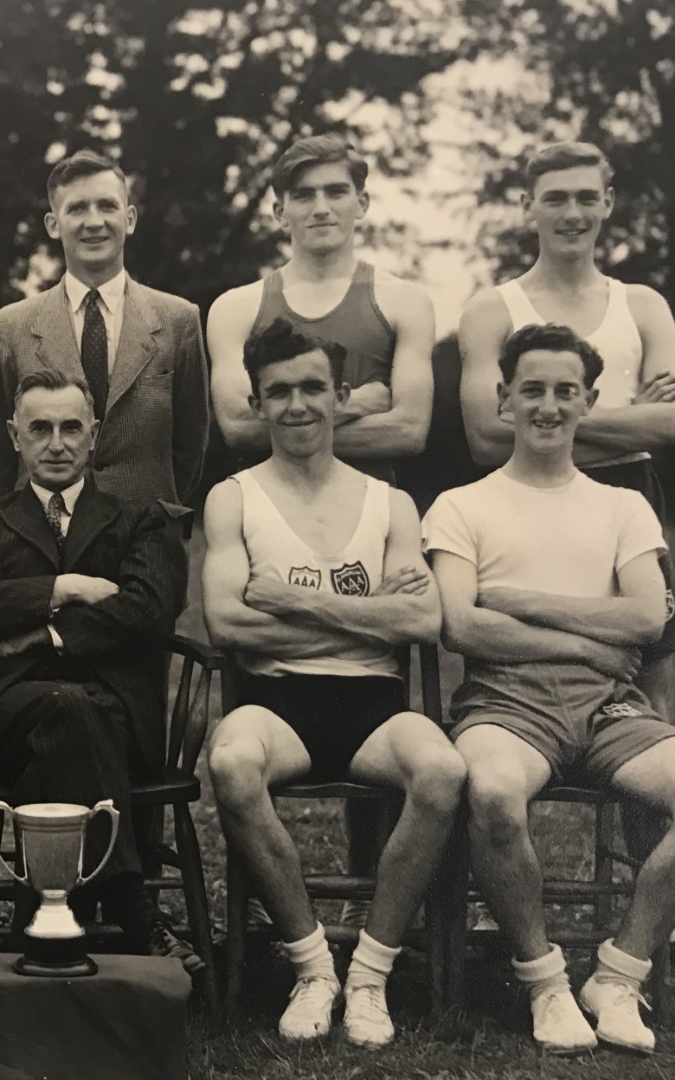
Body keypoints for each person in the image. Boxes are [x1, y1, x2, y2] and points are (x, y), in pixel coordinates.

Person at [457, 141, 675, 976]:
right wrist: (621, 412)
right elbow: (483, 436)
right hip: (519, 500)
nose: (572, 212)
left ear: (609, 203)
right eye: (555, 197)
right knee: (515, 693)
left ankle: (656, 922)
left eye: (587, 196)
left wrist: (566, 420)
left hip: (625, 504)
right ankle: (501, 906)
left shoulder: (640, 304)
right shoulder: (493, 307)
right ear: (529, 207)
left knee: (645, 698)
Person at [424, 323, 675, 1055]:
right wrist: (583, 641)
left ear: (589, 402)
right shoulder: (461, 504)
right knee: (493, 792)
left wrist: (521, 600)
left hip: (611, 707)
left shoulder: (622, 507)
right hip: (505, 704)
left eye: (566, 390)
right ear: (503, 398)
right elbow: (463, 627)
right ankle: (544, 981)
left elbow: (646, 615)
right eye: (532, 389)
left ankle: (618, 975)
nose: (548, 405)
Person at [201, 318, 462, 1046]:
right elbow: (227, 623)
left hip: (374, 706)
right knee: (232, 762)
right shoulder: (234, 497)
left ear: (341, 396)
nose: (297, 405)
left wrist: (290, 600)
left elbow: (424, 619)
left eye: (313, 387)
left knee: (442, 770)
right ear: (257, 404)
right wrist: (370, 614)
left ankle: (371, 972)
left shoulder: (389, 501)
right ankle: (314, 966)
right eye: (279, 391)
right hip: (277, 704)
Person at [208, 133, 438, 928]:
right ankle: (298, 931)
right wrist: (360, 401)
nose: (321, 207)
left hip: (372, 512)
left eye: (336, 191)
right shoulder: (239, 306)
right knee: (299, 692)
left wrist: (335, 420)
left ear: (362, 202)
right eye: (302, 194)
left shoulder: (402, 300)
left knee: (379, 710)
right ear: (279, 210)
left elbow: (413, 431)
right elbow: (238, 429)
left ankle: (380, 914)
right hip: (274, 508)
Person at [0, 369, 188, 958]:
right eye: (40, 429)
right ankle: (131, 908)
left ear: (95, 435)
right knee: (69, 708)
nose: (57, 443)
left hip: (117, 717)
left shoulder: (141, 519)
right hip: (4, 719)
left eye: (71, 428)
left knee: (67, 716)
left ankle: (41, 919)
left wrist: (43, 634)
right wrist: (66, 587)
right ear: (14, 436)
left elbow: (148, 611)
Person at [0, 149, 210, 513]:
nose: (94, 222)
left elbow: (190, 444)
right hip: (45, 533)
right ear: (53, 224)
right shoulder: (10, 326)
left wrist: (156, 512)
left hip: (146, 530)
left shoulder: (178, 320)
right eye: (77, 209)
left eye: (107, 206)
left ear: (129, 219)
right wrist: (27, 522)